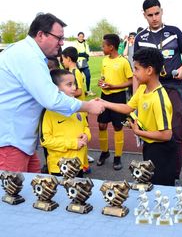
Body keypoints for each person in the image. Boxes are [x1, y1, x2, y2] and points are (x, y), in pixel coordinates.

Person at [0, 13, 104, 173]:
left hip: (19, 140)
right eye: (59, 37)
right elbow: (51, 99)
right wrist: (88, 106)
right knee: (14, 193)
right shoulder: (29, 57)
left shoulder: (27, 52)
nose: (62, 42)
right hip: (11, 141)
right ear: (41, 35)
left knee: (32, 188)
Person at [134, 0, 182, 181]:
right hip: (149, 88)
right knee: (149, 131)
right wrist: (136, 100)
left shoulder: (174, 32)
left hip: (172, 86)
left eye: (157, 13)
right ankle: (149, 174)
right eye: (150, 15)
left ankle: (174, 176)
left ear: (162, 11)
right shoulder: (139, 38)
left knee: (173, 133)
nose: (154, 18)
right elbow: (136, 69)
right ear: (144, 15)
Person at [101, 47, 178, 186]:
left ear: (149, 70)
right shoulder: (143, 88)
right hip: (149, 145)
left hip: (162, 150)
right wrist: (104, 103)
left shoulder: (159, 99)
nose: (133, 73)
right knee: (149, 182)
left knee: (161, 186)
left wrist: (138, 132)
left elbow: (166, 135)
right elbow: (128, 107)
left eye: (136, 69)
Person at [40, 69, 91, 177]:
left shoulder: (78, 107)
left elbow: (86, 126)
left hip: (78, 165)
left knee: (78, 192)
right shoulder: (49, 112)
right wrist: (73, 143)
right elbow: (45, 140)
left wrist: (86, 135)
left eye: (74, 84)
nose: (74, 88)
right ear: (56, 89)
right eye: (69, 85)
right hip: (59, 168)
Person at [97, 34, 133, 170]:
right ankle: (104, 152)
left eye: (103, 46)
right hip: (104, 96)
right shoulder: (104, 60)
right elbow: (103, 76)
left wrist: (114, 86)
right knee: (101, 125)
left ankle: (117, 157)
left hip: (118, 97)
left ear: (111, 47)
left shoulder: (123, 61)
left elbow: (130, 80)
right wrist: (102, 82)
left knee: (118, 126)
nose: (102, 48)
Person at [75, 32, 95, 96]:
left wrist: (84, 55)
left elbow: (87, 53)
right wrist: (82, 54)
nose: (81, 37)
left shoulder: (85, 44)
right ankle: (80, 91)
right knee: (79, 77)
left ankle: (88, 91)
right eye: (80, 36)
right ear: (77, 37)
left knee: (88, 76)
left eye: (82, 36)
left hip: (84, 62)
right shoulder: (75, 44)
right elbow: (76, 53)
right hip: (77, 63)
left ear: (83, 37)